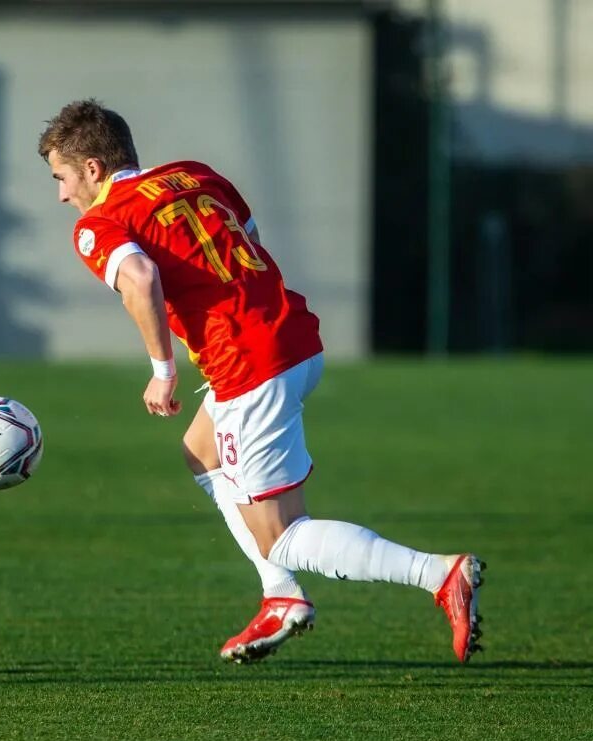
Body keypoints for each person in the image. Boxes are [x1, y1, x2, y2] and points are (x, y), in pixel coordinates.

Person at [38, 100, 484, 664]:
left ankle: (439, 574)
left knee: (282, 533)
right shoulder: (194, 174)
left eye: (62, 177)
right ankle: (280, 597)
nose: (61, 194)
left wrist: (163, 369)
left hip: (250, 366)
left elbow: (142, 277)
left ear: (94, 169)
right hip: (291, 335)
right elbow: (248, 236)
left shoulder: (99, 223)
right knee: (202, 453)